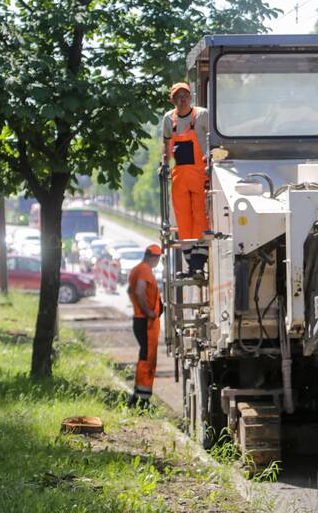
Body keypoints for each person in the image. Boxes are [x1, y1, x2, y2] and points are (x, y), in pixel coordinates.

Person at [162, 82, 209, 259]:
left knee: (200, 213)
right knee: (182, 216)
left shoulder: (202, 115)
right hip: (179, 178)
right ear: (172, 99)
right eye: (178, 96)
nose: (182, 99)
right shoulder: (168, 119)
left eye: (185, 95)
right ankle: (189, 257)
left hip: (199, 175)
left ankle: (201, 253)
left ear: (191, 97)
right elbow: (166, 145)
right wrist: (165, 164)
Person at [127, 244, 163, 409]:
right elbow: (140, 291)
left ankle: (139, 396)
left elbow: (130, 291)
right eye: (158, 258)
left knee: (145, 357)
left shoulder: (137, 269)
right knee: (147, 359)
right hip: (146, 321)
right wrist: (148, 311)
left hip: (141, 320)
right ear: (154, 257)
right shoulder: (144, 270)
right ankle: (142, 399)